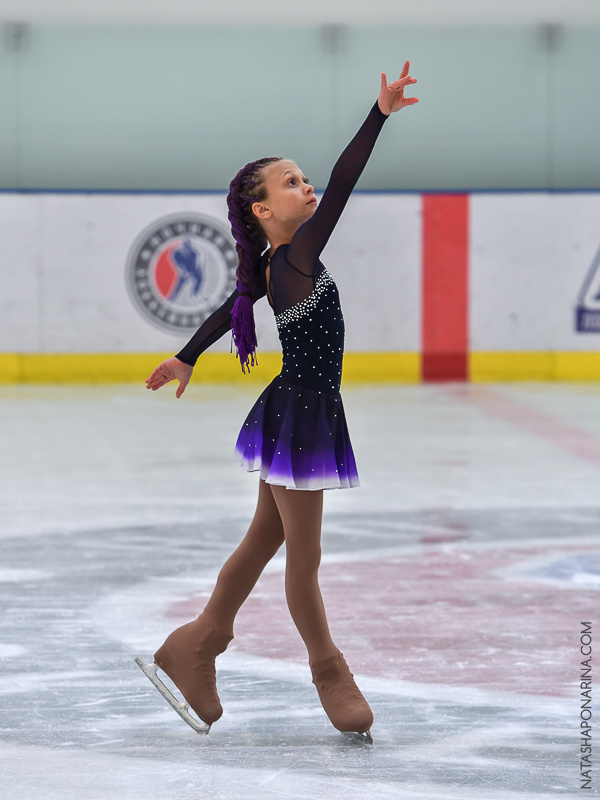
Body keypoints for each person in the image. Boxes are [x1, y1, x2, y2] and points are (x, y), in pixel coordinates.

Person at [138, 63, 418, 741]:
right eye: (290, 182)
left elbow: (227, 308)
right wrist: (376, 115)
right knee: (303, 557)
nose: (308, 185)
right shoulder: (295, 257)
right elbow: (348, 181)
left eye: (304, 176)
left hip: (299, 410)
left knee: (265, 538)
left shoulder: (279, 264)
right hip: (301, 417)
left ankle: (198, 643)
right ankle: (328, 669)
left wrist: (187, 354)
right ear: (263, 210)